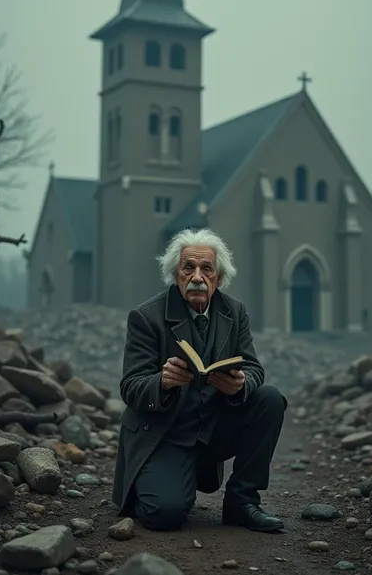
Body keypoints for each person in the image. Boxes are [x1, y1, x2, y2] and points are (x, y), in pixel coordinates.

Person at [112, 228, 287, 532]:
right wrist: (162, 381)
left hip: (214, 430)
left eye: (206, 269)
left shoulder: (234, 311)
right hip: (166, 434)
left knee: (269, 399)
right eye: (188, 268)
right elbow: (130, 387)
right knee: (163, 514)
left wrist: (241, 384)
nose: (197, 277)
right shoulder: (145, 317)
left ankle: (241, 502)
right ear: (175, 274)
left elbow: (254, 367)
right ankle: (157, 481)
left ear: (218, 278)